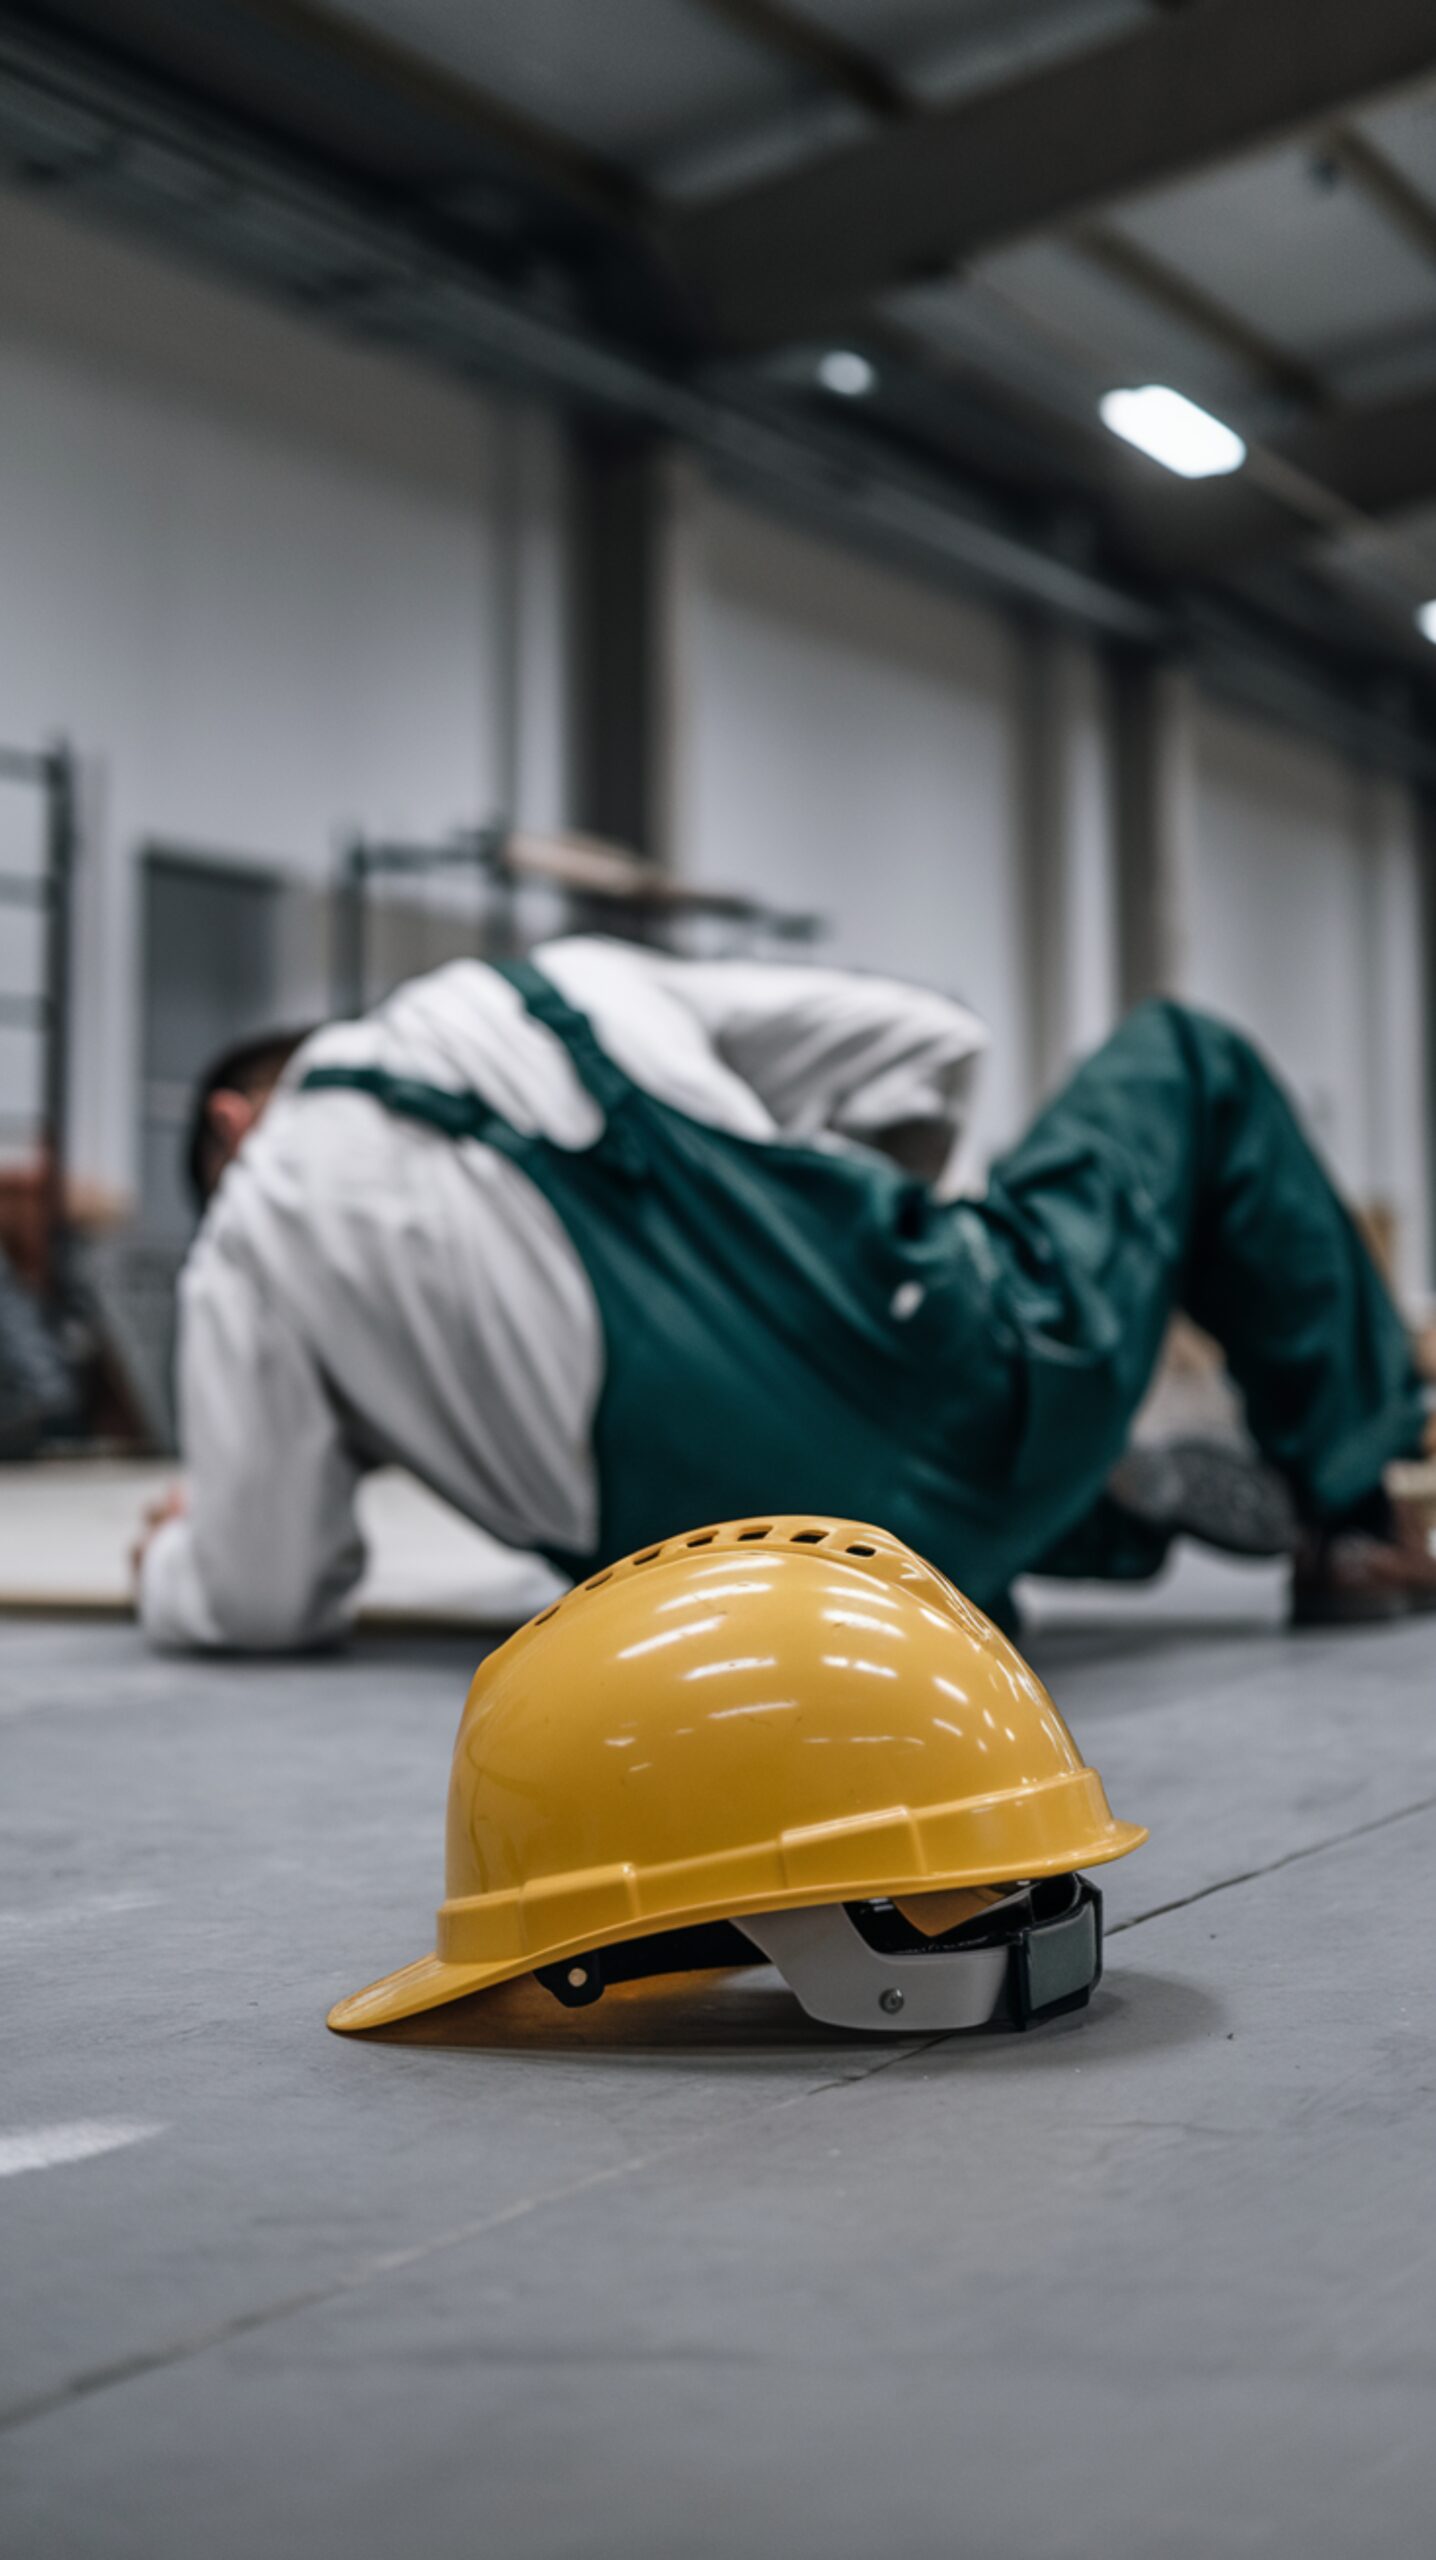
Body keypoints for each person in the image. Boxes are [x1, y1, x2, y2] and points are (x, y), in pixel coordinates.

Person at [135, 938, 1435, 1650]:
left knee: (818, 1505)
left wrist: (180, 1553)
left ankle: (1048, 1515)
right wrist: (827, 1287)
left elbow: (259, 1597)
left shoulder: (245, 1238)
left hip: (753, 1599)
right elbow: (932, 1047)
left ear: (233, 1123)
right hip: (965, 1374)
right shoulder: (545, 988)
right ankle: (1351, 1518)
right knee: (1186, 1060)